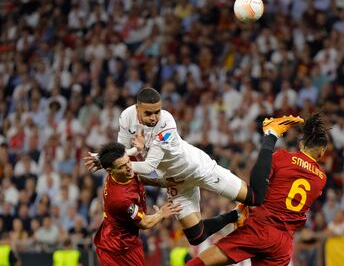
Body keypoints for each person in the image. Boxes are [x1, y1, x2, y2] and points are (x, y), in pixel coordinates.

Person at [86, 87, 304, 246]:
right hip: (176, 183)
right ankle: (236, 216)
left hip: (198, 169)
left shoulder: (167, 123)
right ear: (137, 108)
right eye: (148, 113)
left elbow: (149, 165)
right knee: (196, 236)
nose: (154, 117)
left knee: (256, 198)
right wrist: (102, 158)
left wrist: (121, 163)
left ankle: (271, 132)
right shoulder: (126, 116)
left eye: (157, 112)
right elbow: (123, 153)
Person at [187, 113, 329, 265]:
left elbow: (258, 186)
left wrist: (270, 139)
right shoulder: (321, 179)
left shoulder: (282, 157)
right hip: (282, 244)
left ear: (301, 144)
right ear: (322, 151)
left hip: (259, 229)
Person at [93, 142, 182, 266]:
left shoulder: (122, 167)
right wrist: (161, 214)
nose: (129, 167)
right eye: (122, 166)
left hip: (123, 240)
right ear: (110, 171)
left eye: (128, 161)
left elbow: (140, 175)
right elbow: (145, 223)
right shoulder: (120, 200)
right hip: (119, 250)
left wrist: (139, 147)